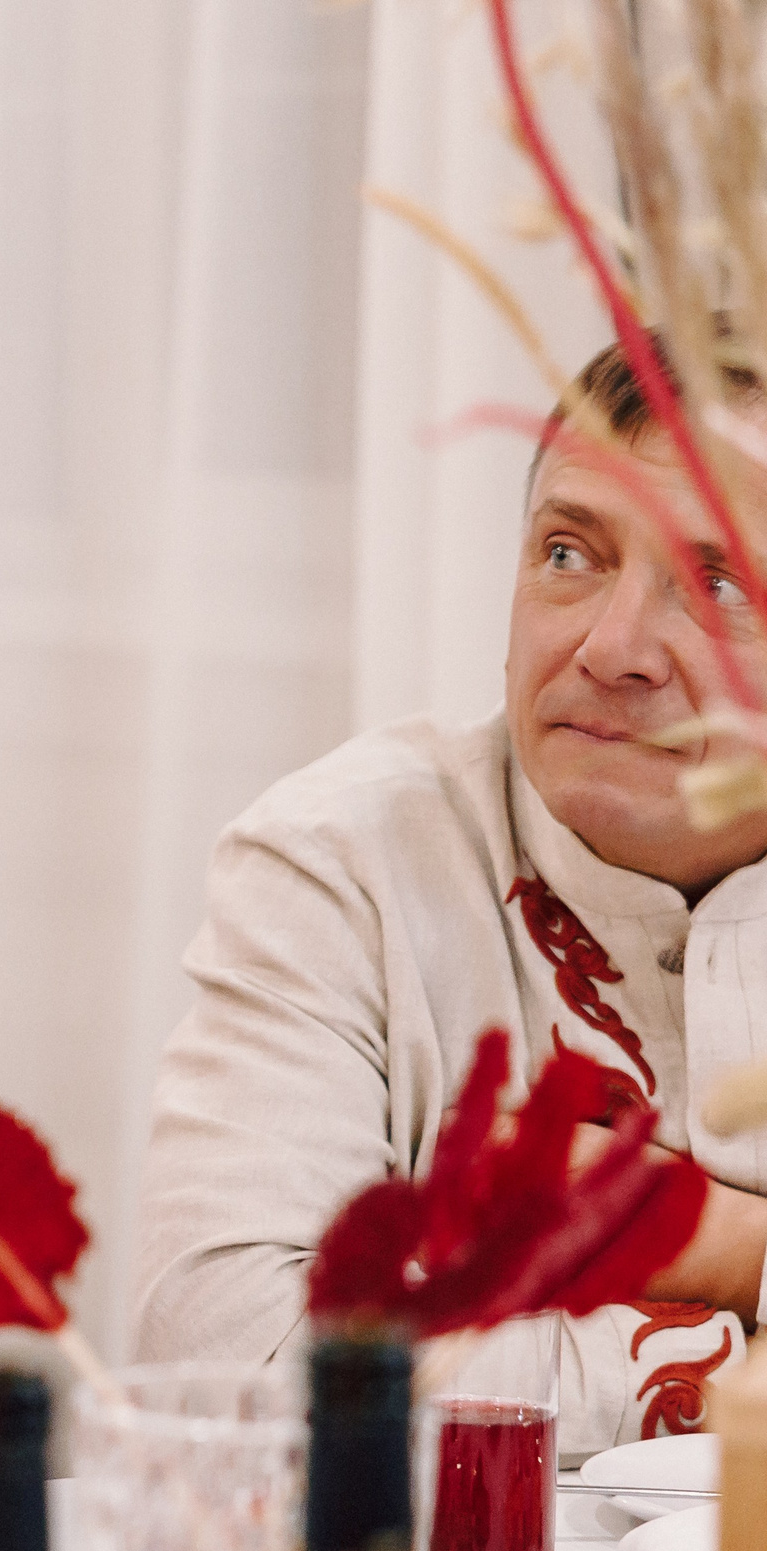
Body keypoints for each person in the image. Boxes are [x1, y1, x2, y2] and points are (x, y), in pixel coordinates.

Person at [135, 329, 767, 1451]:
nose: (612, 646)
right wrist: (725, 1346)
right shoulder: (340, 863)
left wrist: (720, 1245)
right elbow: (230, 1368)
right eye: (569, 554)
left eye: (714, 581)